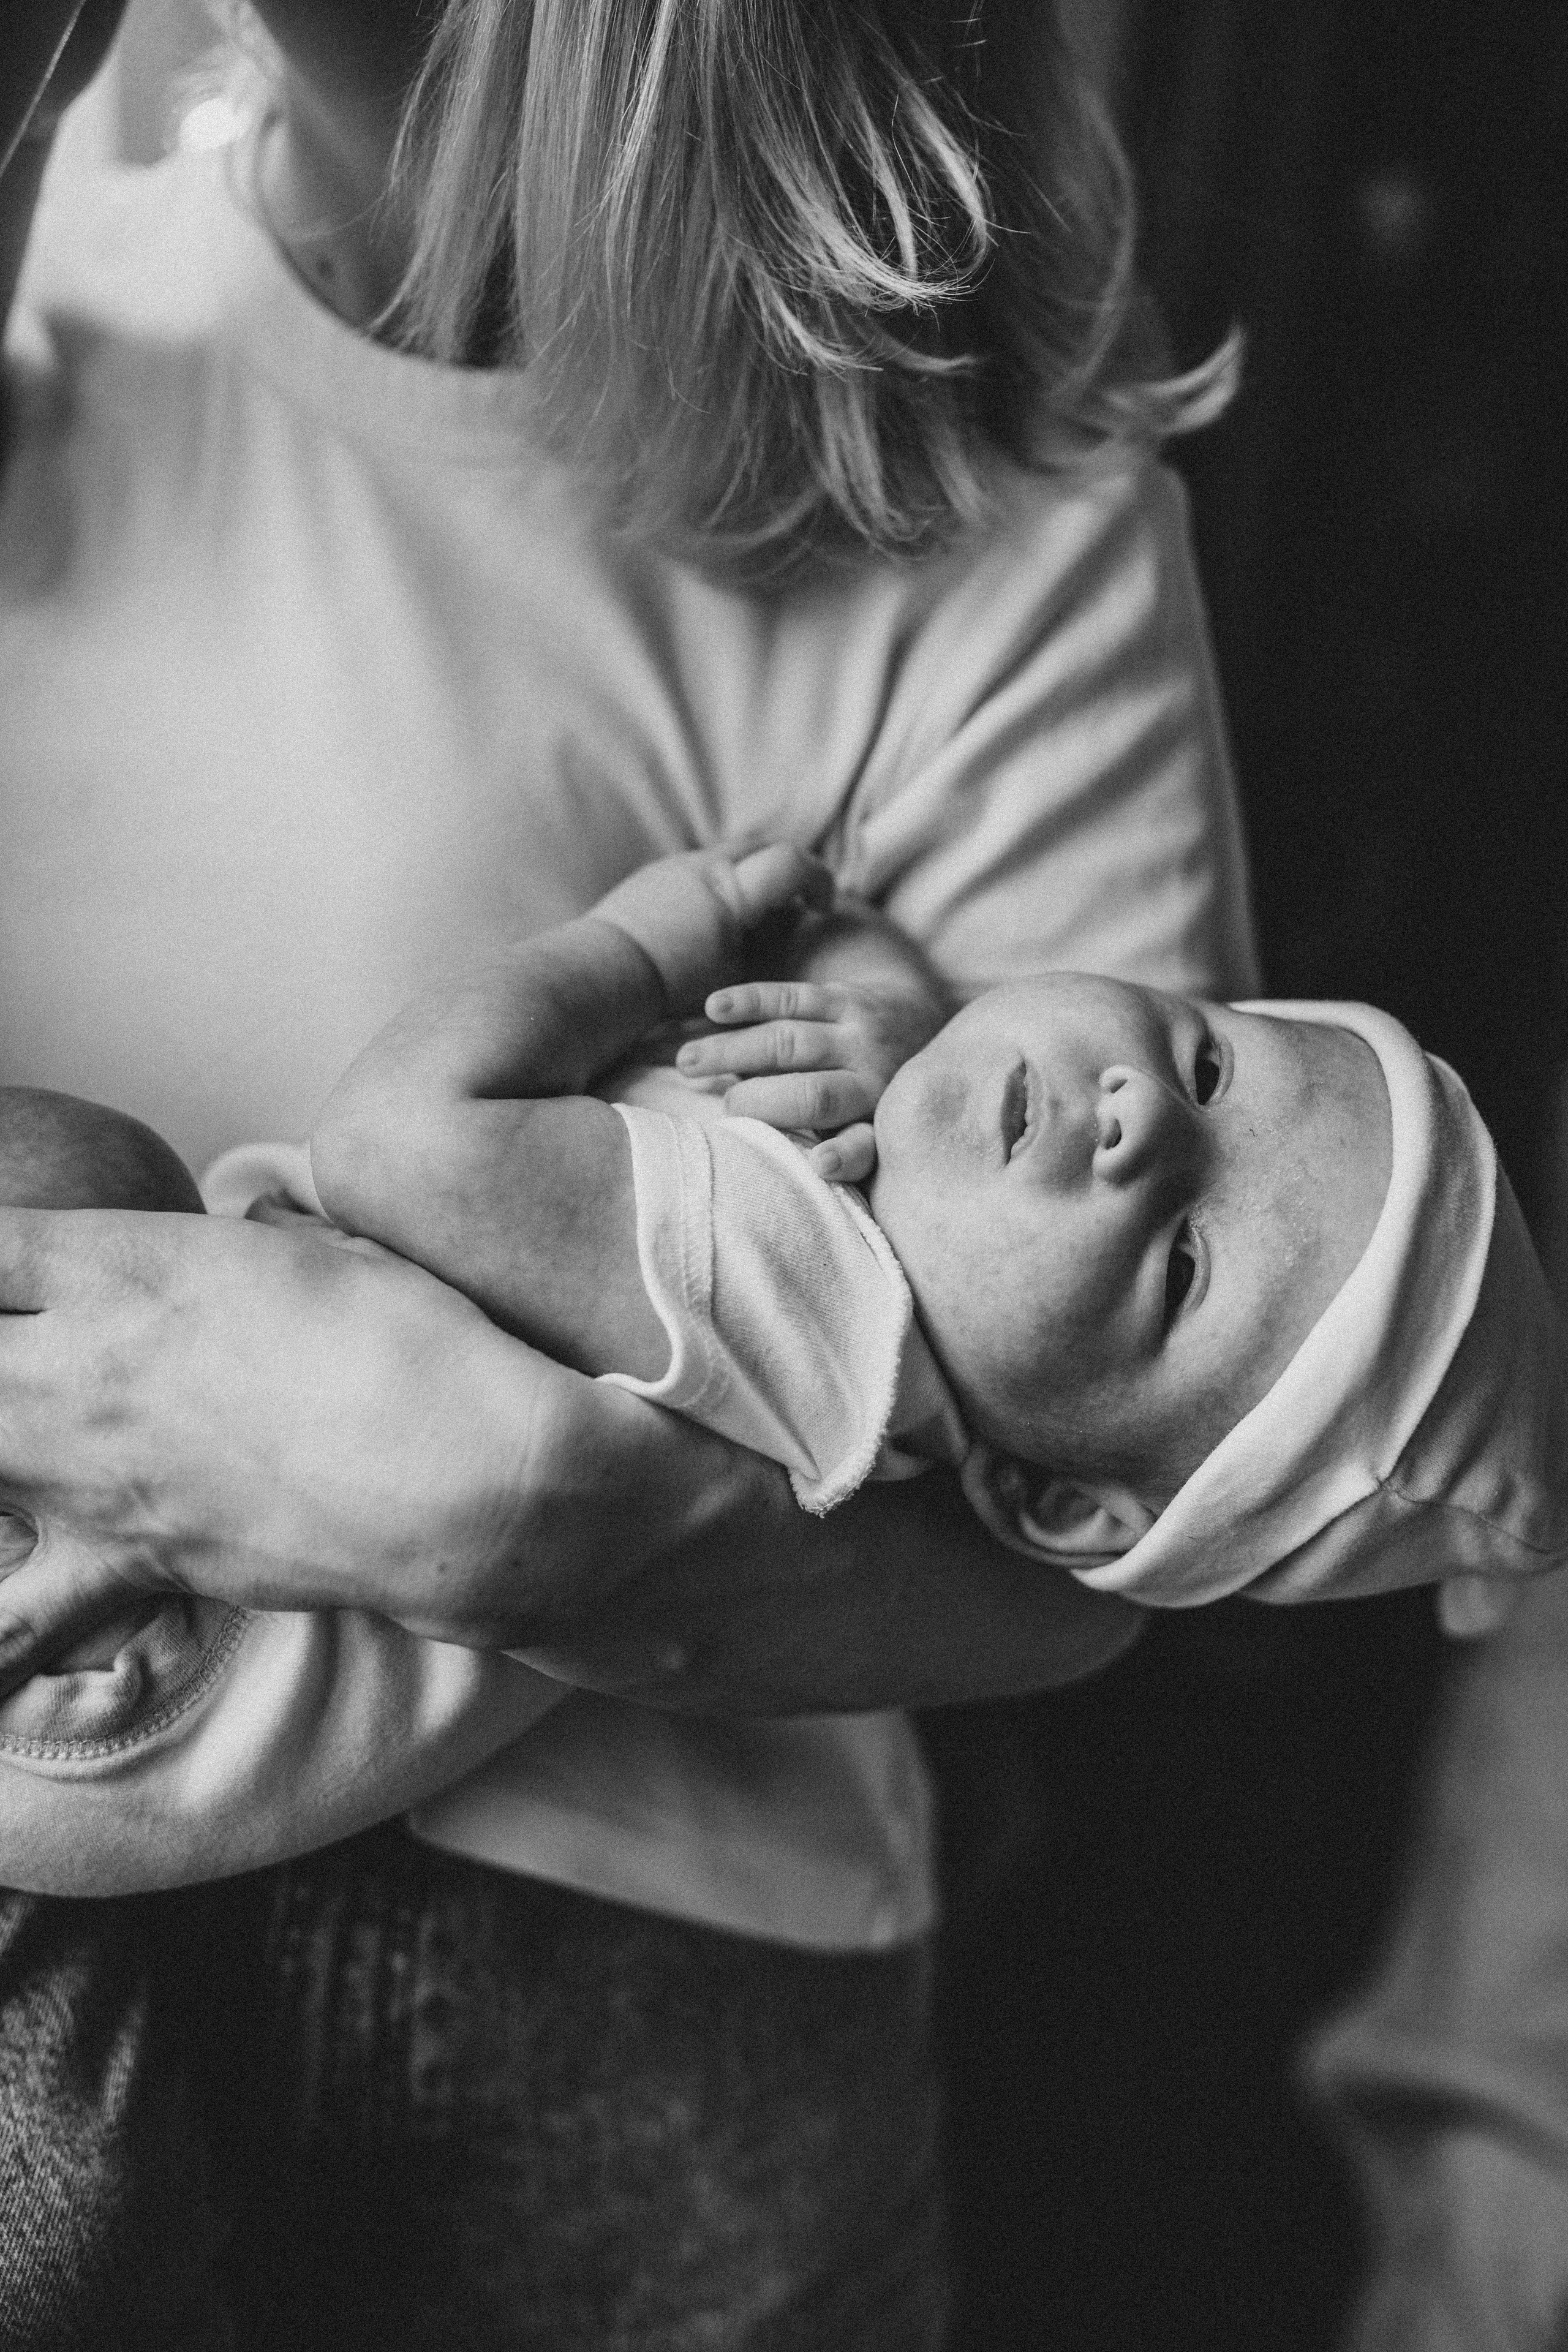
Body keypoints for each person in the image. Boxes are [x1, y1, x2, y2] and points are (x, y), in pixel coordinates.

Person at [0, 0, 1256, 2343]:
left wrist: (551, 1533)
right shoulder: (63, 236)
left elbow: (1095, 1546)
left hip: (628, 1999)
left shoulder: (992, 515)